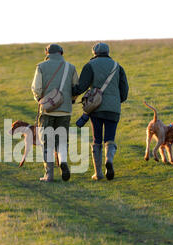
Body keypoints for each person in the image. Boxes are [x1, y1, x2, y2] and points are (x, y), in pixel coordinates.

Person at [73, 42, 129, 180]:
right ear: (108, 52)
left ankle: (98, 173)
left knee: (97, 138)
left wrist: (72, 92)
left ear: (94, 53)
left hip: (96, 108)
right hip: (113, 109)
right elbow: (125, 91)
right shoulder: (118, 66)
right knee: (110, 138)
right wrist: (116, 101)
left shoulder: (90, 65)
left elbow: (81, 87)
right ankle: (108, 160)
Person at [31, 44, 79, 182]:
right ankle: (63, 162)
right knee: (62, 140)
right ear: (61, 53)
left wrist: (40, 100)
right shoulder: (71, 67)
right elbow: (76, 87)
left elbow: (36, 88)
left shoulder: (41, 66)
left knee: (47, 142)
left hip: (46, 110)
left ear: (47, 53)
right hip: (64, 110)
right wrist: (70, 100)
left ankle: (49, 175)